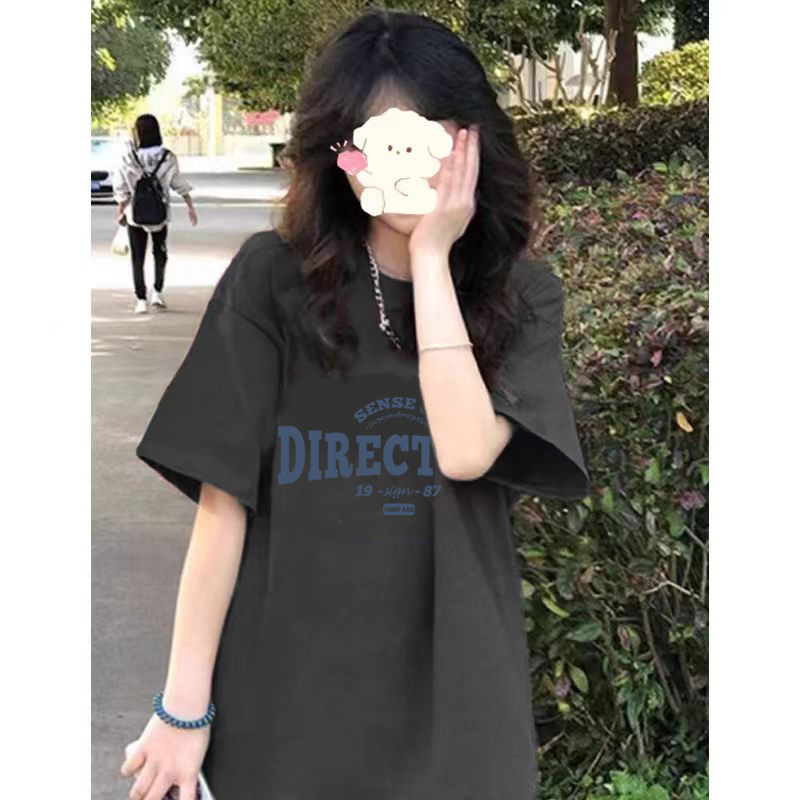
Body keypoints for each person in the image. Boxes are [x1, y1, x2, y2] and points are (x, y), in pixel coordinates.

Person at [121, 9, 590, 800]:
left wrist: (432, 257)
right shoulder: (273, 281)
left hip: (455, 698)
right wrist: (183, 708)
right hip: (286, 695)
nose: (404, 163)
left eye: (425, 136)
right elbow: (223, 506)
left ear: (471, 142)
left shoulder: (522, 298)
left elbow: (466, 451)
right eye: (377, 140)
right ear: (342, 156)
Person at [113, 114, 198, 314]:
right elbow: (177, 182)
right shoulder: (168, 157)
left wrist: (120, 211)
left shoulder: (128, 158)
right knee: (160, 253)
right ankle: (158, 293)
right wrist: (190, 205)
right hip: (160, 213)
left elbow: (121, 188)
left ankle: (140, 299)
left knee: (137, 257)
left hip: (135, 214)